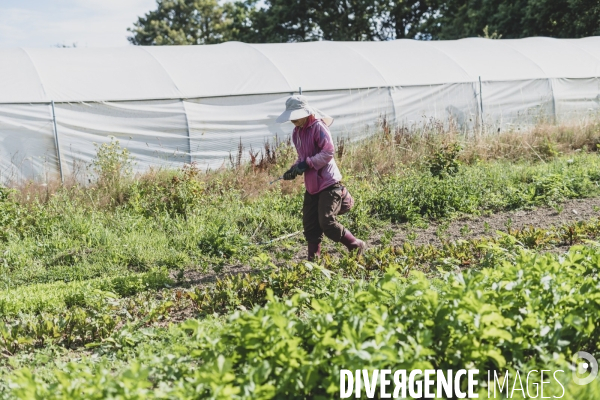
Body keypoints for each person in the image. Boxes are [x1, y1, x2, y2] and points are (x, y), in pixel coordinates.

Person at [276, 95, 366, 261]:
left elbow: (328, 152)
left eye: (296, 116)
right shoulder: (297, 133)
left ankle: (355, 244)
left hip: (328, 182)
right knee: (310, 224)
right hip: (312, 185)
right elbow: (302, 157)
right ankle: (314, 260)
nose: (293, 120)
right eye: (291, 117)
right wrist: (295, 168)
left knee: (326, 222)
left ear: (306, 113)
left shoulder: (318, 127)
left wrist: (307, 164)